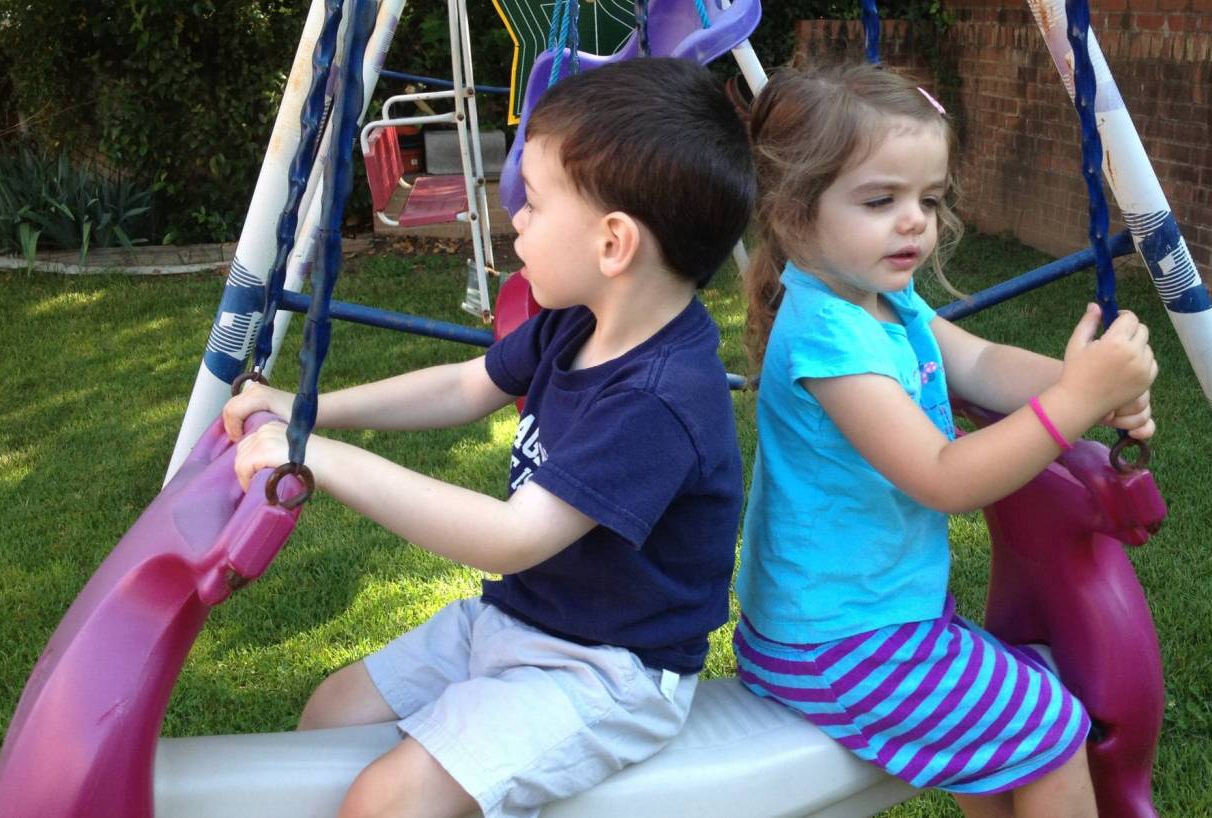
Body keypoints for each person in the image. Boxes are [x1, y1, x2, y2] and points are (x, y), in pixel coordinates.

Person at [223, 57, 754, 818]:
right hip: (516, 620)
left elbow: (510, 539)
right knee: (330, 715)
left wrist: (317, 459)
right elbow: (464, 386)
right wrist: (307, 410)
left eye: (533, 203)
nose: (518, 222)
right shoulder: (579, 322)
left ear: (613, 244)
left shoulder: (660, 399)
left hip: (605, 672)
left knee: (384, 802)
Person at [733, 63, 1157, 818]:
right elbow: (943, 477)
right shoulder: (829, 338)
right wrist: (1073, 401)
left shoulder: (885, 301)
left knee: (1002, 747)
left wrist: (1087, 382)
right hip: (836, 644)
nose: (914, 222)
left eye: (927, 200)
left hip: (865, 619)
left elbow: (983, 364)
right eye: (880, 200)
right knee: (1052, 727)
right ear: (795, 214)